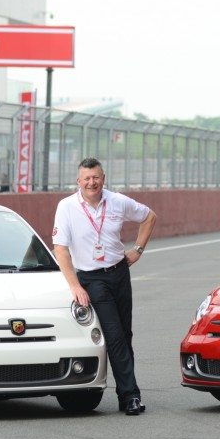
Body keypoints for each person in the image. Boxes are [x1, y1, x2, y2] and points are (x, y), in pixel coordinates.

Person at [52, 157, 156, 416]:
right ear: (78, 182)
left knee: (125, 334)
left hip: (119, 273)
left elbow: (149, 216)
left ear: (103, 178)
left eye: (96, 177)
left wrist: (138, 250)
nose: (92, 183)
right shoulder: (66, 207)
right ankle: (132, 395)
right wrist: (75, 286)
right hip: (92, 279)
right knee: (114, 335)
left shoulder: (117, 201)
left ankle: (125, 393)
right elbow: (61, 250)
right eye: (86, 178)